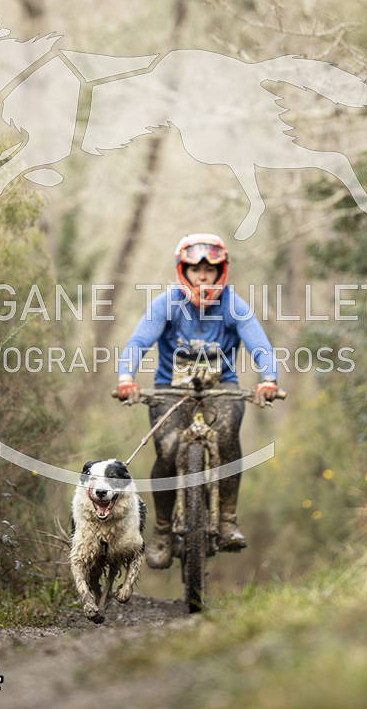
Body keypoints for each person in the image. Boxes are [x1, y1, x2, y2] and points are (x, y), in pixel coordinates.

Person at [117, 233, 279, 569]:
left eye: (210, 270)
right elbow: (137, 342)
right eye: (195, 270)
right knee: (168, 449)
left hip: (222, 389)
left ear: (221, 271)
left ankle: (228, 520)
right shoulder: (166, 303)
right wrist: (126, 378)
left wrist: (269, 379)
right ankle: (163, 531)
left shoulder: (233, 305)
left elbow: (260, 344)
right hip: (170, 390)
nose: (203, 277)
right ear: (183, 271)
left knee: (227, 437)